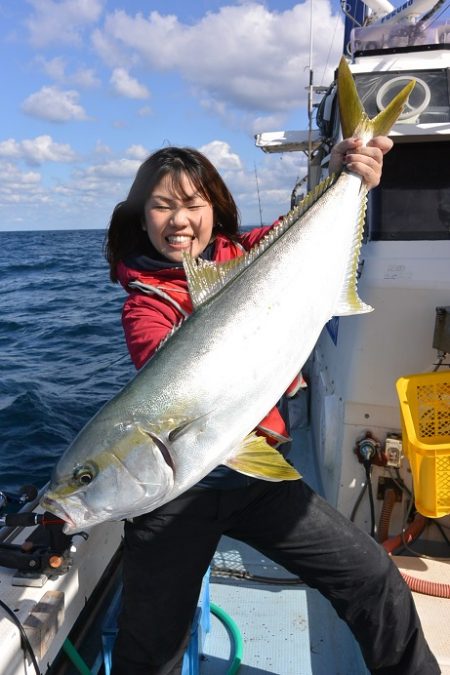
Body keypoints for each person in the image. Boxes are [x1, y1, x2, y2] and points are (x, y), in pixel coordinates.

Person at [105, 141, 440, 675]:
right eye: (162, 206)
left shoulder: (253, 253)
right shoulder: (145, 302)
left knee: (373, 578)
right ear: (141, 217)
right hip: (178, 487)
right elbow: (163, 366)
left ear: (214, 208)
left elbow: (305, 229)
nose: (179, 220)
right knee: (150, 647)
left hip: (258, 472)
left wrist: (345, 176)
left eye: (193, 203)